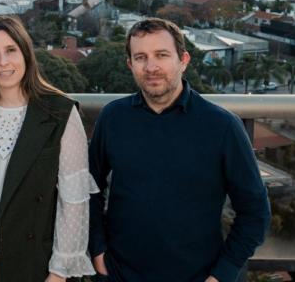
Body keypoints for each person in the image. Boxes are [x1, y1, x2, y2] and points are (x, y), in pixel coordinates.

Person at [88, 18, 271, 282]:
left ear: (183, 60)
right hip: (119, 274)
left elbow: (255, 212)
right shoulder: (113, 117)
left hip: (198, 276)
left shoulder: (222, 126)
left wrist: (222, 274)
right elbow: (88, 189)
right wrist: (98, 251)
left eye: (161, 55)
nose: (151, 67)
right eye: (141, 57)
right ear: (130, 65)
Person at [0, 15, 97, 282]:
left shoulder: (59, 114)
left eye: (10, 50)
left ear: (26, 52)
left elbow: (73, 202)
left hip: (31, 265)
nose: (3, 62)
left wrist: (59, 273)